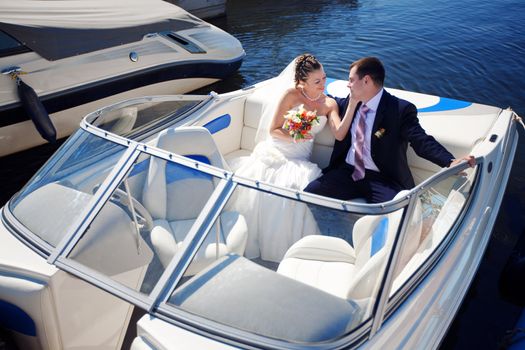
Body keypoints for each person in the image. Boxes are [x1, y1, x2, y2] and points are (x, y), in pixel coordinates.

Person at [228, 53, 356, 262]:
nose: (322, 83)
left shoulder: (329, 104)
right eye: (317, 81)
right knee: (267, 186)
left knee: (304, 187)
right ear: (302, 82)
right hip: (277, 151)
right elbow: (274, 130)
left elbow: (340, 133)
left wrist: (352, 103)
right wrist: (296, 135)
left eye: (324, 78)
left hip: (300, 160)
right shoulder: (290, 95)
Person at [304, 56, 475, 203]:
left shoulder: (399, 110)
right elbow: (325, 99)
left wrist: (450, 162)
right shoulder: (351, 101)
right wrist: (300, 91)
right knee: (309, 194)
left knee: (398, 213)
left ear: (366, 80)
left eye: (351, 80)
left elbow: (420, 140)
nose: (348, 85)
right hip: (347, 172)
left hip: (382, 179)